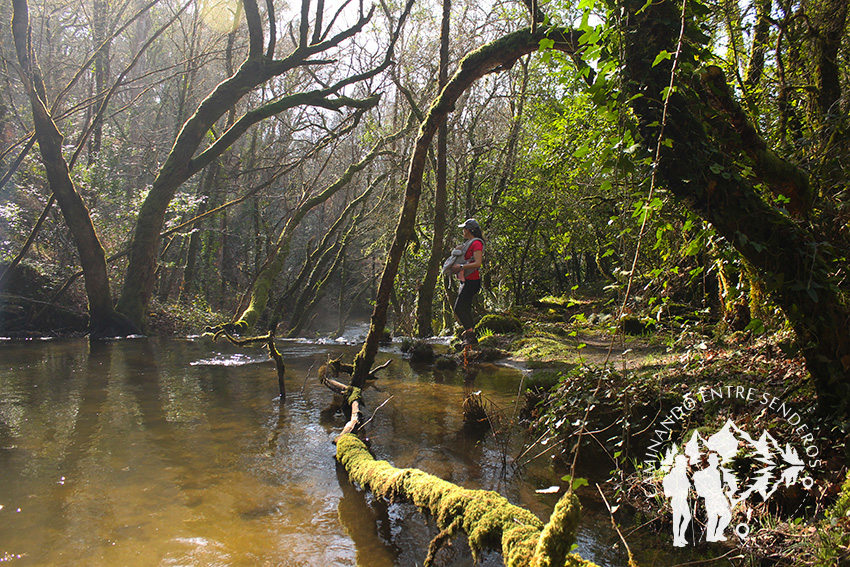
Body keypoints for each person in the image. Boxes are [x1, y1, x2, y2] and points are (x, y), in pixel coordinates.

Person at [451, 218, 484, 345]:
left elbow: (478, 263)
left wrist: (461, 267)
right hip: (466, 281)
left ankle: (470, 334)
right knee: (465, 307)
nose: (463, 231)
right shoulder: (469, 243)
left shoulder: (476, 244)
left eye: (464, 229)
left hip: (472, 281)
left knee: (459, 308)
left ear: (469, 230)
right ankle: (470, 336)